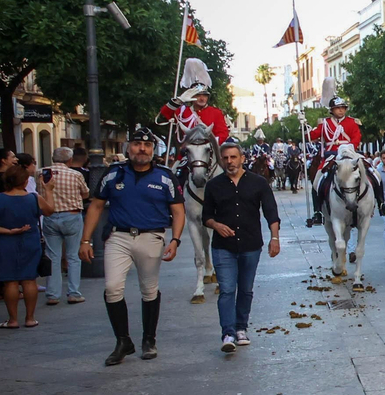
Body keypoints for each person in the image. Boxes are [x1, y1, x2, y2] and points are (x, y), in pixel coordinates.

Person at [80, 126, 185, 367]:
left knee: (149, 290)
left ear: (153, 150)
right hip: (119, 237)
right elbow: (96, 206)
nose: (142, 149)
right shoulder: (113, 174)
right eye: (137, 144)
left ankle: (149, 339)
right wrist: (85, 240)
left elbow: (178, 211)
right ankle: (123, 340)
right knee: (112, 287)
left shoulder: (165, 176)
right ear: (129, 148)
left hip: (151, 237)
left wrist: (175, 240)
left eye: (147, 145)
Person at [201, 140, 281, 352]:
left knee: (245, 290)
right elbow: (206, 216)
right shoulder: (213, 185)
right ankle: (227, 333)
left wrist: (275, 238)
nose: (229, 161)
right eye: (225, 158)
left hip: (250, 244)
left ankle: (240, 328)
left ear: (242, 159)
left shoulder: (258, 182)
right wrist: (216, 225)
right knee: (227, 290)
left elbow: (271, 212)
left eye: (233, 157)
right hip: (223, 246)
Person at [0, 165, 55, 328]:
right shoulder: (34, 198)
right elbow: (50, 211)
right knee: (29, 280)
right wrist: (48, 190)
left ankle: (13, 319)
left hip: (3, 243)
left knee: (10, 282)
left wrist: (7, 231)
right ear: (26, 181)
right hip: (29, 240)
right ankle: (30, 318)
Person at [306, 95, 385, 226]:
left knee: (374, 173)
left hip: (350, 152)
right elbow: (313, 136)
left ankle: (382, 203)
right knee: (317, 181)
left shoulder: (352, 122)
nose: (340, 111)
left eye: (343, 108)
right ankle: (318, 212)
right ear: (332, 110)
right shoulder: (325, 123)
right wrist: (304, 128)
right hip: (331, 155)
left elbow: (356, 137)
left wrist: (349, 148)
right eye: (337, 108)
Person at [41, 147, 90, 305]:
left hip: (49, 215)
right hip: (72, 215)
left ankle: (53, 294)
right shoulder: (76, 174)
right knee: (73, 256)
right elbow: (86, 193)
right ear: (70, 160)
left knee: (53, 255)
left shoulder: (40, 173)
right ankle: (73, 293)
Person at [159, 80, 231, 144]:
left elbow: (223, 133)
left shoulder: (216, 112)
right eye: (198, 95)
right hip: (187, 150)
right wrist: (179, 100)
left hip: (208, 150)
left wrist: (211, 145)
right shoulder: (183, 111)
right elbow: (165, 113)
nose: (202, 99)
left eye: (205, 96)